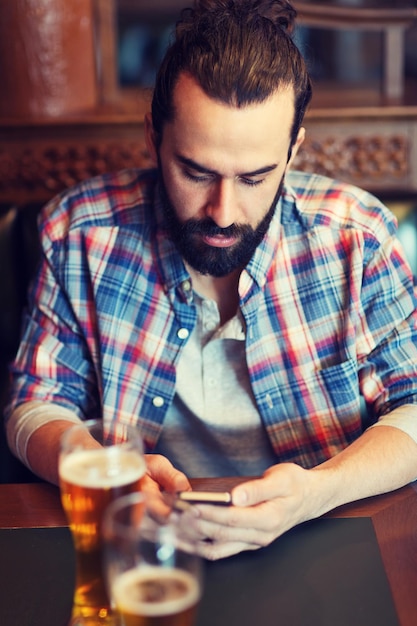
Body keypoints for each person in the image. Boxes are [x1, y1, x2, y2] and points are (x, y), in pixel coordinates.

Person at [4, 0, 417, 560]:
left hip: (322, 540)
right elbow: (34, 404)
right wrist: (94, 468)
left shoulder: (358, 237)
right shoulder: (80, 231)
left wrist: (318, 491)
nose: (223, 212)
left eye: (254, 177)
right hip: (137, 546)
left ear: (293, 149)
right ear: (154, 136)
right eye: (196, 172)